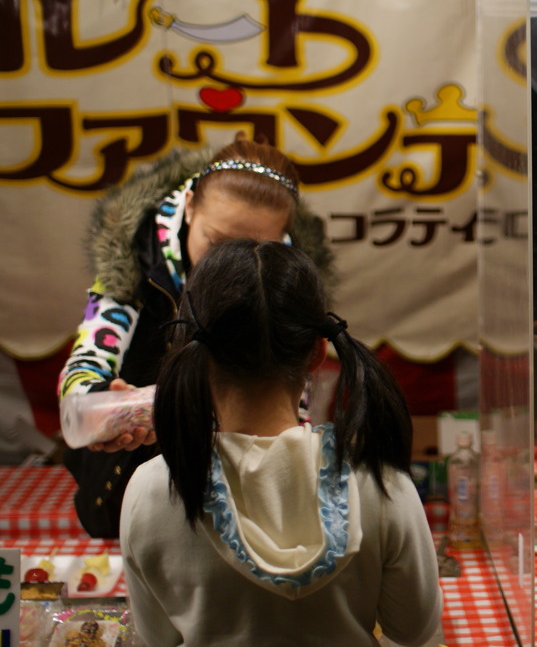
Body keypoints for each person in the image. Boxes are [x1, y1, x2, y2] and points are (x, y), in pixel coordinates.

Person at [120, 239, 442, 646]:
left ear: (194, 350)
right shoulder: (381, 484)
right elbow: (415, 630)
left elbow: (156, 638)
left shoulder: (154, 488)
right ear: (317, 352)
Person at [58, 135, 333, 538]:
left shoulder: (288, 277)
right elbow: (82, 372)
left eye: (257, 248)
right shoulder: (135, 262)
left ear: (283, 241)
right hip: (134, 484)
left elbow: (292, 401)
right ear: (189, 207)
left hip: (240, 483)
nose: (232, 265)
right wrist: (107, 407)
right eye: (217, 242)